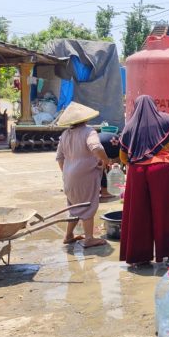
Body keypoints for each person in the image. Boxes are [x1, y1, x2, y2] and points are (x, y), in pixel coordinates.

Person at [119, 95, 169, 266]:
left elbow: (123, 157)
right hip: (161, 169)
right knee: (166, 212)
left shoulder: (129, 126)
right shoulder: (166, 119)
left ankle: (139, 257)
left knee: (138, 213)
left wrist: (139, 162)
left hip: (137, 171)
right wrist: (166, 156)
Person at [55, 102, 110, 248]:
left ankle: (68, 235)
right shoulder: (88, 131)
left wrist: (67, 172)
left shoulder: (65, 134)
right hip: (86, 176)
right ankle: (89, 238)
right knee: (88, 205)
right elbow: (96, 147)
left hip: (68, 176)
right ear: (85, 118)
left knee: (73, 206)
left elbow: (59, 158)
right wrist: (105, 160)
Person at [98, 131, 121, 199]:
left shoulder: (117, 139)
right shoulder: (121, 145)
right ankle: (105, 192)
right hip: (99, 146)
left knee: (101, 168)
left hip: (95, 143)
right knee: (101, 168)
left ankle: (101, 189)